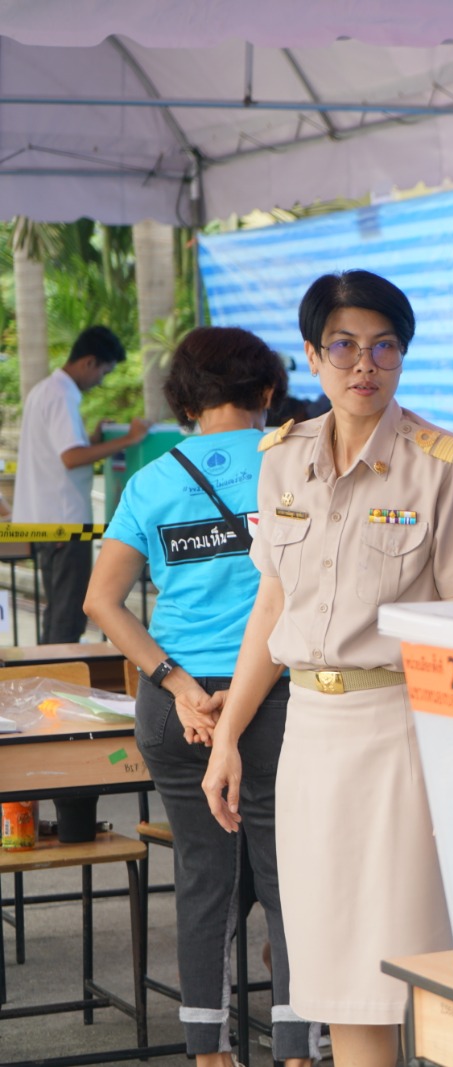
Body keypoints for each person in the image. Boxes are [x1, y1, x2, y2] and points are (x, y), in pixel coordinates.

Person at [200, 270, 453, 1067]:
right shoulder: (283, 459)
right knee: (337, 966)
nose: (364, 363)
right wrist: (229, 734)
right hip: (311, 734)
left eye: (383, 346)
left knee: (412, 956)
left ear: (402, 355)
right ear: (312, 354)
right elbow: (272, 608)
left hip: (405, 728)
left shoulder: (441, 462)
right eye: (343, 345)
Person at [83, 327, 313, 1067]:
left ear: (185, 398)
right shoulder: (296, 465)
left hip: (177, 704)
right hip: (278, 699)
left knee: (203, 877)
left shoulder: (151, 479)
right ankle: (299, 1051)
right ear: (268, 392)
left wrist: (179, 684)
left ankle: (209, 1054)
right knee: (289, 876)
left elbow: (102, 601)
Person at [14, 326, 151, 643]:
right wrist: (129, 440)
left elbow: (61, 452)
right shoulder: (62, 395)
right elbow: (71, 458)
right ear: (89, 362)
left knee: (58, 612)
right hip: (63, 524)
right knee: (67, 616)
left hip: (46, 521)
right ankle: (55, 684)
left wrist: (93, 441)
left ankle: (48, 681)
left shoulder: (45, 390)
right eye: (104, 371)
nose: (101, 380)